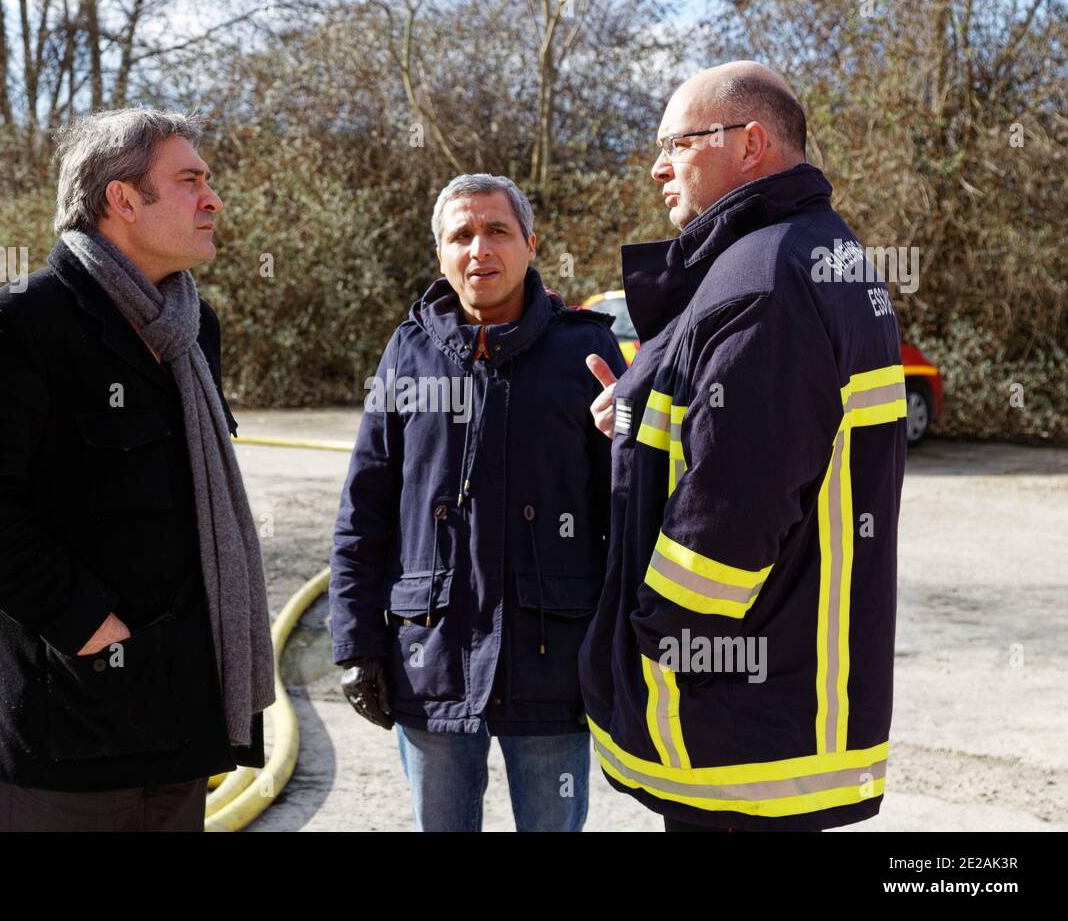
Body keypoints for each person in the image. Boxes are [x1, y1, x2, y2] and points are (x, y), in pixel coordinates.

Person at [0, 108, 275, 831]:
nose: (212, 199)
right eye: (189, 181)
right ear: (121, 198)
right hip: (72, 724)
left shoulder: (191, 326)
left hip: (182, 711)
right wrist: (94, 631)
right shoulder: (22, 322)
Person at [581, 61, 907, 831]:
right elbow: (749, 436)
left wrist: (656, 639)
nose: (659, 166)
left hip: (736, 719)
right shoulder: (807, 255)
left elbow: (736, 509)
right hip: (776, 707)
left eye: (676, 143)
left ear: (751, 143)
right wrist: (634, 419)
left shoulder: (763, 282)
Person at [331, 173, 627, 831]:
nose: (478, 250)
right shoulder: (407, 354)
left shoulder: (587, 351)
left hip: (554, 663)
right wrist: (356, 644)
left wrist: (622, 640)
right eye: (460, 235)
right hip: (430, 658)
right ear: (439, 252)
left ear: (530, 243)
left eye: (496, 231)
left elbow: (626, 511)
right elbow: (363, 512)